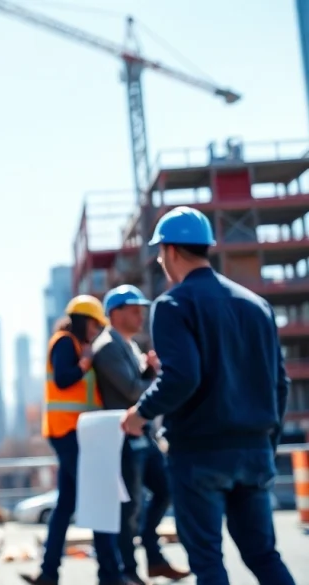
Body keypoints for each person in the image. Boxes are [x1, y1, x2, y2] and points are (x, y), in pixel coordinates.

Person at [122, 206, 296, 585]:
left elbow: (182, 377)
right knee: (263, 555)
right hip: (253, 450)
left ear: (169, 251)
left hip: (200, 453)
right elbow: (279, 384)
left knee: (207, 561)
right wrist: (267, 445)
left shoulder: (173, 304)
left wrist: (140, 413)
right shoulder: (256, 305)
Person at [22, 295, 131, 585]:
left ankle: (48, 573)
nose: (96, 331)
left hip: (77, 433)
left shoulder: (77, 346)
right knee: (97, 497)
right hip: (68, 432)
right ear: (84, 321)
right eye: (95, 324)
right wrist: (84, 364)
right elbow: (62, 379)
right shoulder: (63, 342)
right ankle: (111, 574)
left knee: (67, 504)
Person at [91, 285, 190, 584]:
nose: (141, 314)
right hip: (123, 439)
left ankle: (153, 555)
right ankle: (129, 571)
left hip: (141, 435)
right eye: (134, 309)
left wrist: (149, 373)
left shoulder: (129, 345)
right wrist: (159, 381)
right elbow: (132, 391)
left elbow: (137, 386)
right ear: (115, 313)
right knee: (129, 507)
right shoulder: (107, 346)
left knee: (164, 489)